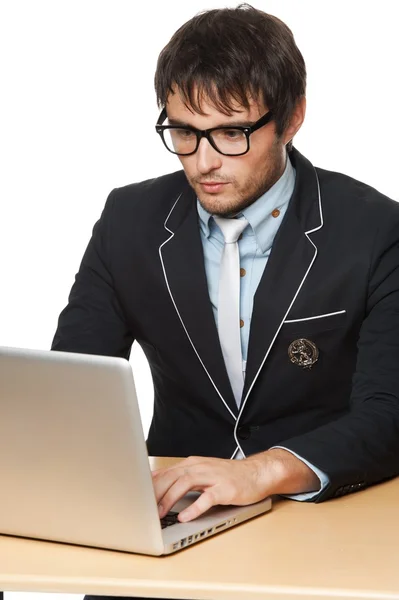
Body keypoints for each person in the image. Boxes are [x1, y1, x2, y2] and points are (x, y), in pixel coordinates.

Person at [52, 1, 399, 534]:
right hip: (170, 511)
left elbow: (389, 412)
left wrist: (264, 470)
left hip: (324, 516)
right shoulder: (128, 220)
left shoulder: (375, 230)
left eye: (232, 133)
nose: (203, 161)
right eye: (185, 132)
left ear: (293, 118)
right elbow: (71, 388)